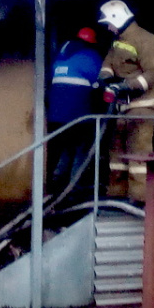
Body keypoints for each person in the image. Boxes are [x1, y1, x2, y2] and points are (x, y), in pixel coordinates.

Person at [96, 0, 154, 202]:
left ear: (119, 18)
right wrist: (106, 79)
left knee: (137, 153)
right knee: (116, 153)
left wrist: (126, 85)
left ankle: (139, 199)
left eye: (109, 23)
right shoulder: (118, 40)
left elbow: (153, 73)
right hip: (121, 107)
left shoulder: (146, 40)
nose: (108, 27)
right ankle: (116, 195)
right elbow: (108, 63)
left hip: (142, 107)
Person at [46, 27, 102, 197]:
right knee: (81, 148)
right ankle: (75, 186)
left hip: (55, 115)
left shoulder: (61, 54)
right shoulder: (91, 56)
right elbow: (100, 79)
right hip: (78, 114)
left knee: (64, 147)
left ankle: (55, 182)